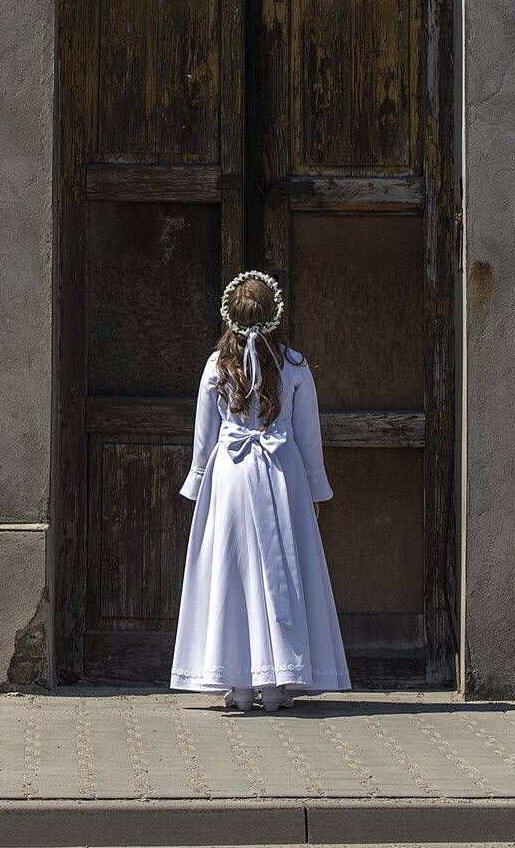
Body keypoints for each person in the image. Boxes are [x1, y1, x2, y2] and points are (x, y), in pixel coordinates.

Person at [170, 270, 351, 711]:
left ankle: (238, 683)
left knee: (233, 572)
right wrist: (315, 488)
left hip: (231, 476)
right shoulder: (294, 365)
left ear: (229, 316)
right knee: (282, 569)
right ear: (275, 316)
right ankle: (277, 681)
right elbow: (308, 435)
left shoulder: (216, 365)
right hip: (281, 472)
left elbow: (204, 435)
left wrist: (198, 482)